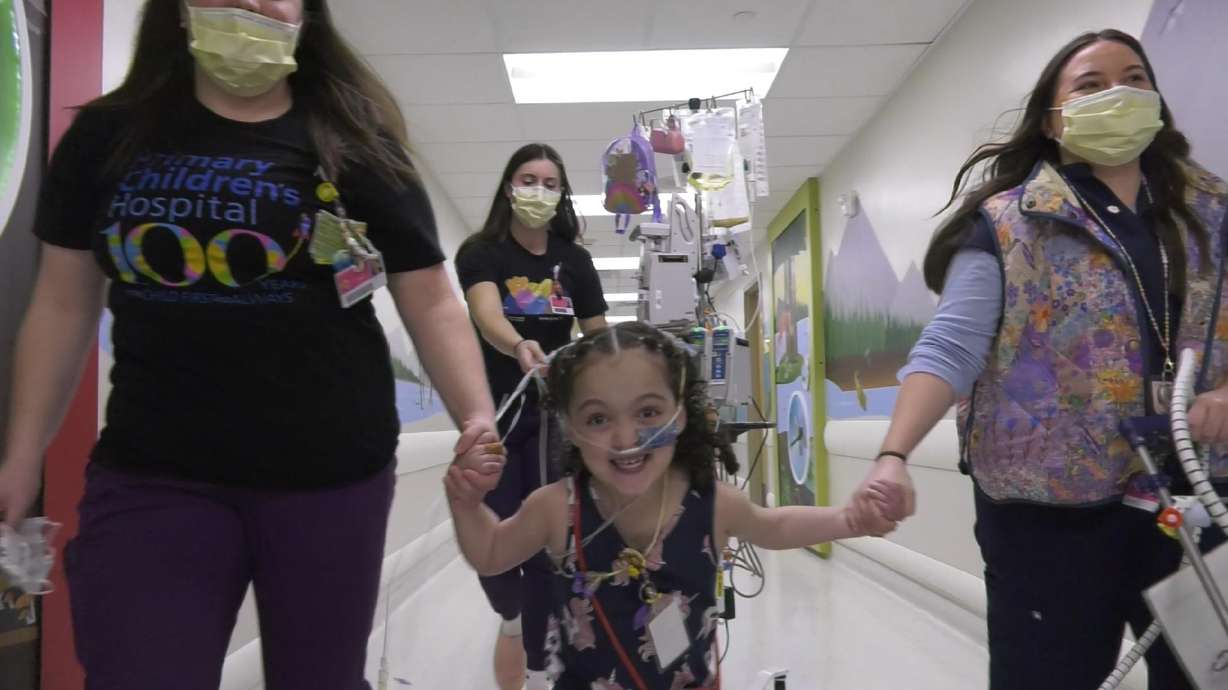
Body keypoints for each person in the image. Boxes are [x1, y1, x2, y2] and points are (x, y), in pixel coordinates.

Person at [0, 1, 501, 688]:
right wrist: (22, 456)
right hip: (156, 470)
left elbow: (430, 297)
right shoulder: (108, 137)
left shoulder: (351, 139)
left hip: (330, 477)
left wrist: (476, 416)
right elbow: (61, 302)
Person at [855, 29, 1228, 690]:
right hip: (1047, 520)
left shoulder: (1214, 216)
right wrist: (893, 455)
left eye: (1135, 77)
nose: (1119, 92)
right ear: (1054, 121)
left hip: (1197, 497)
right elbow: (950, 347)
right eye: (1090, 84)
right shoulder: (1006, 225)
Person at [447, 322, 901, 690]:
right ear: (571, 428)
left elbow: (774, 527)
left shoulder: (711, 503)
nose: (626, 438)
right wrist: (466, 504)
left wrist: (848, 519)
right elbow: (490, 553)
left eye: (647, 412)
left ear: (680, 416)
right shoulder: (556, 509)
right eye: (599, 418)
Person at [454, 143, 608, 690]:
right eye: (528, 179)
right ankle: (512, 619)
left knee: (548, 547)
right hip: (496, 414)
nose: (538, 191)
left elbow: (597, 336)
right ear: (508, 186)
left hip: (553, 423)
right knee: (493, 547)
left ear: (561, 192)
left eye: (549, 182)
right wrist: (519, 345)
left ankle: (543, 674)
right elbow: (485, 313)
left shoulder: (576, 261)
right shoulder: (483, 252)